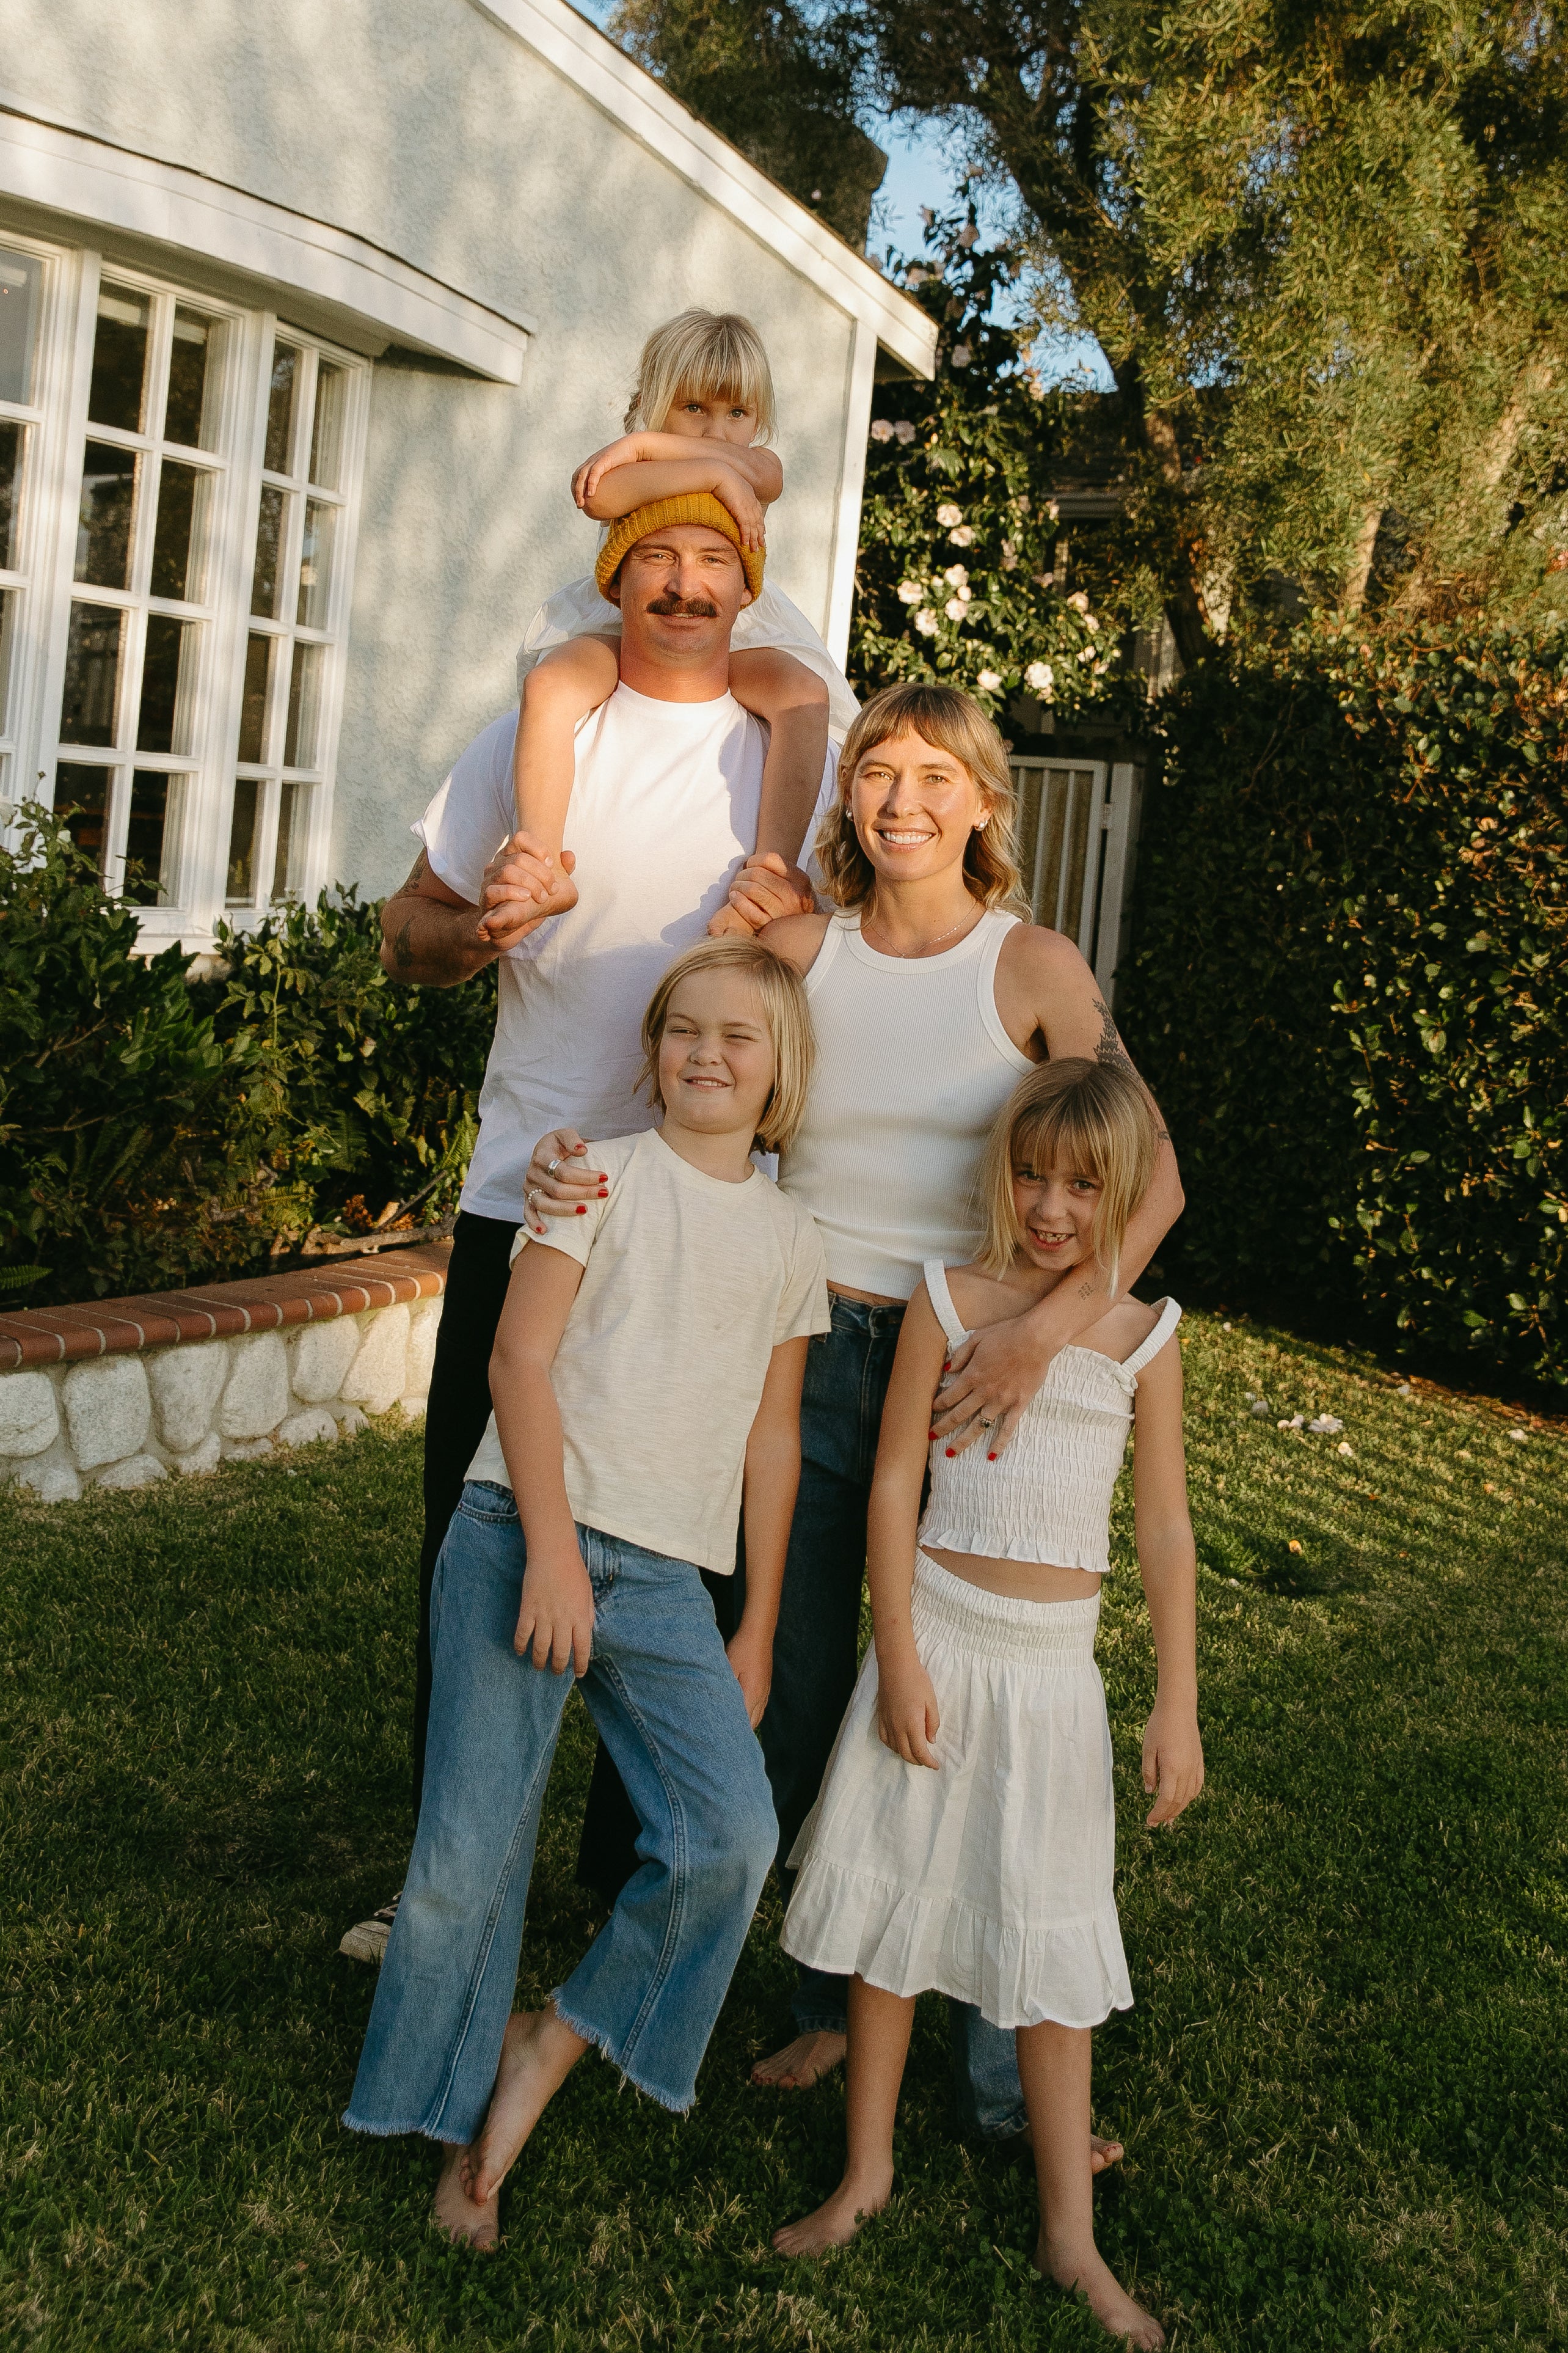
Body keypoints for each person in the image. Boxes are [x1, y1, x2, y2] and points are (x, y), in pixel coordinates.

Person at [522, 681, 1185, 2140]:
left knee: (973, 1711)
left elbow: (1155, 1182)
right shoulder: (795, 951)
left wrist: (1038, 1339)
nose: (898, 799)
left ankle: (1009, 2080)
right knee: (802, 1684)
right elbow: (692, 1075)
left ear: (982, 806)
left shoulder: (1032, 969)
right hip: (795, 1360)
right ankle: (818, 2003)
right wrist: (581, 1174)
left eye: (933, 777)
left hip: (963, 1369)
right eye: (875, 772)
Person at [337, 496, 832, 1967]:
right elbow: (402, 931)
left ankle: (632, 1885)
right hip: (531, 1197)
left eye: (712, 564)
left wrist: (800, 916)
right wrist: (486, 925)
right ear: (613, 579)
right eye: (655, 562)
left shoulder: (789, 759)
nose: (682, 587)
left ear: (750, 588)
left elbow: (875, 939)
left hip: (713, 1217)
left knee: (685, 1553)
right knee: (475, 1547)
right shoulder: (538, 734)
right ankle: (445, 1877)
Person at [343, 937, 830, 2248]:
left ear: (781, 1073)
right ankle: (448, 2132)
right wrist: (551, 1548)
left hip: (666, 1575)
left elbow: (772, 1439)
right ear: (650, 1046)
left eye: (738, 1035)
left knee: (729, 1837)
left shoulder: (792, 1238)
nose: (705, 1052)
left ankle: (549, 2036)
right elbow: (516, 1358)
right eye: (681, 1027)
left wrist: (758, 1622)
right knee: (466, 1855)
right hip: (521, 1533)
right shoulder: (593, 1177)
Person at [771, 1058, 1202, 2351]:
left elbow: (1164, 1527)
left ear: (1123, 1190)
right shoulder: (945, 1297)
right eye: (1029, 1173)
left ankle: (1069, 2230)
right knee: (892, 1917)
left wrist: (1172, 1697)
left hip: (1053, 1673)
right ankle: (864, 2173)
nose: (1051, 1204)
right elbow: (893, 1475)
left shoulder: (1143, 1334)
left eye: (1081, 1183)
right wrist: (894, 1649)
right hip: (940, 1647)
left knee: (1051, 1950)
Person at [494, 307, 858, 942]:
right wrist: (711, 471)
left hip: (739, 627)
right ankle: (541, 863)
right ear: (654, 403)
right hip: (624, 621)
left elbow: (755, 475)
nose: (719, 431)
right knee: (552, 686)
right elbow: (598, 498)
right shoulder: (647, 468)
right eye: (694, 408)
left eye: (737, 414)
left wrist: (653, 450)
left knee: (802, 693)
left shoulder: (760, 463)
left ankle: (769, 872)